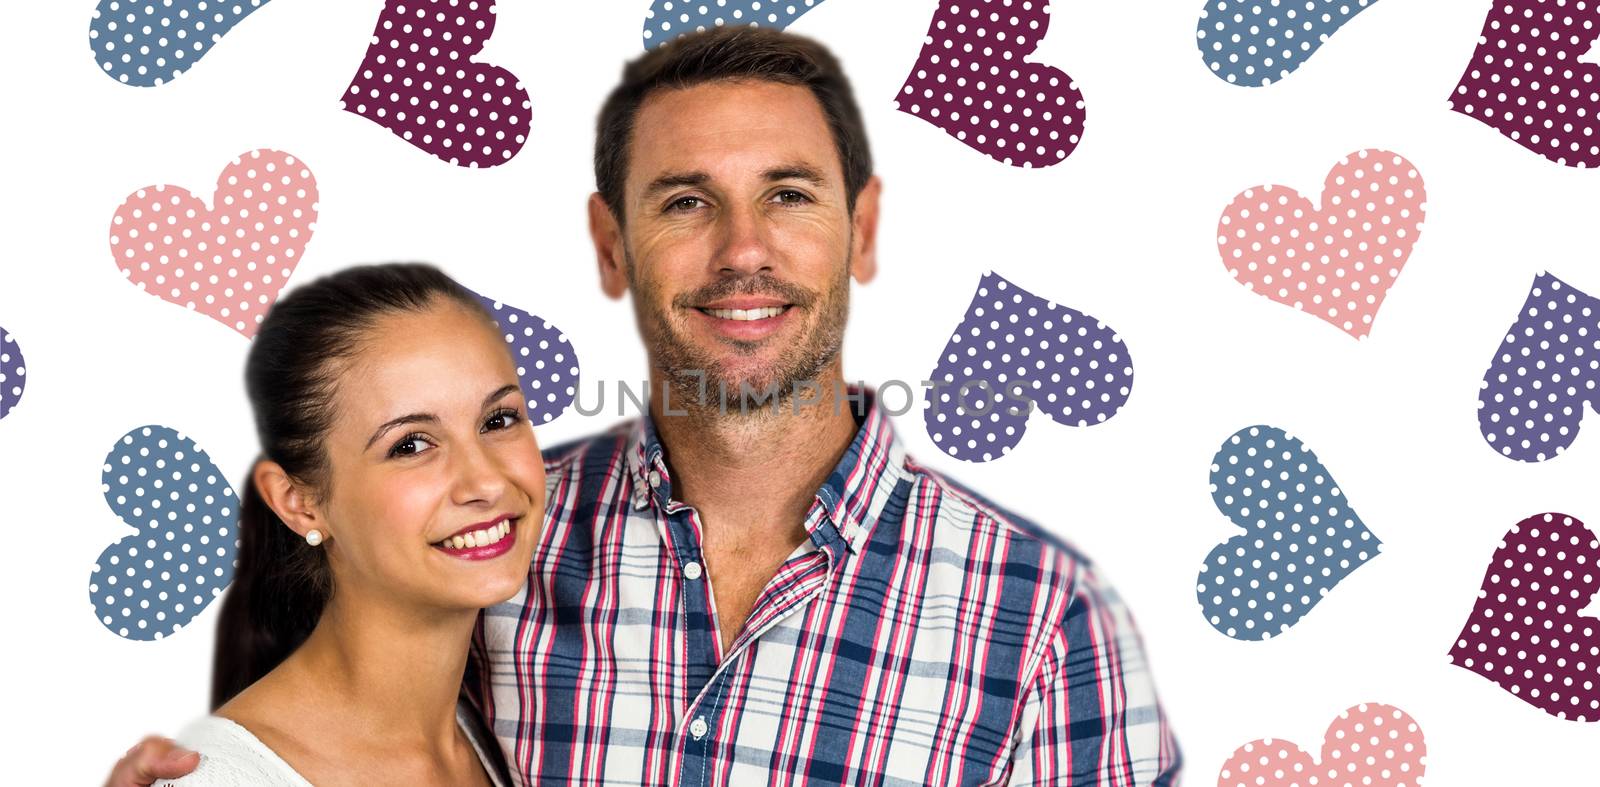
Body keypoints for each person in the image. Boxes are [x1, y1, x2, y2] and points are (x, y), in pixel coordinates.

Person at [109, 26, 1182, 786]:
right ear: (612, 245)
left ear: (861, 230)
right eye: (685, 202)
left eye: (788, 194)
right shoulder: (492, 542)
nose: (743, 251)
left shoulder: (1046, 623)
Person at [142, 263, 544, 785]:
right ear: (298, 503)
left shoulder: (494, 733)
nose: (486, 482)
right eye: (411, 445)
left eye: (498, 420)